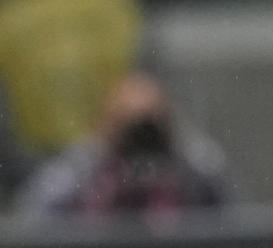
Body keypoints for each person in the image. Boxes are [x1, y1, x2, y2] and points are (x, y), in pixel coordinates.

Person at [0, 0, 141, 196]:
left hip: (40, 175)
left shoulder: (8, 20)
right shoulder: (116, 9)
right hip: (118, 175)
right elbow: (148, 99)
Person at [15, 71, 226, 217]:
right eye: (131, 127)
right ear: (108, 124)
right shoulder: (78, 172)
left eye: (149, 127)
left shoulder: (195, 169)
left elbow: (237, 228)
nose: (141, 140)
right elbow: (32, 224)